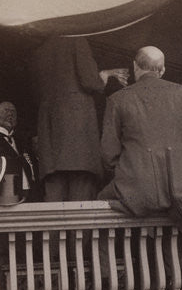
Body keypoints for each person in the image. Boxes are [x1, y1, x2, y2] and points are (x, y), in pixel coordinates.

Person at [98, 46, 182, 224]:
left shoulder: (117, 99)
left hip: (135, 190)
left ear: (135, 66)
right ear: (162, 69)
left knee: (99, 204)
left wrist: (126, 175)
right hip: (180, 191)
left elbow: (108, 153)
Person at [34, 36, 127, 202]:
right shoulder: (76, 40)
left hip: (50, 145)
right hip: (78, 145)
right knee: (81, 201)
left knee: (53, 203)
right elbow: (90, 81)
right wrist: (105, 74)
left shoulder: (41, 50)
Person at [0, 101, 38, 204]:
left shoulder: (22, 140)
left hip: (29, 195)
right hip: (6, 197)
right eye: (6, 110)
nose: (10, 114)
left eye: (13, 111)